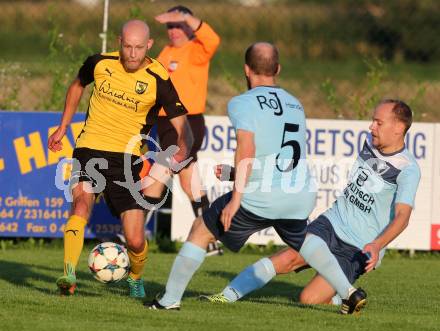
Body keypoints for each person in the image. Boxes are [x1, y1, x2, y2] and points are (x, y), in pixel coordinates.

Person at [202, 99, 420, 315]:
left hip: (358, 247)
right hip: (331, 223)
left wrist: (376, 245)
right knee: (287, 259)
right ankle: (227, 296)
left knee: (308, 299)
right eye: (372, 121)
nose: (371, 127)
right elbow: (286, 170)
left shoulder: (408, 169)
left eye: (378, 122)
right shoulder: (370, 143)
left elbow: (402, 216)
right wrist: (236, 174)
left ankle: (341, 299)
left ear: (399, 128)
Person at [145, 42, 317, 310]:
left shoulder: (244, 103)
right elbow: (278, 162)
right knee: (310, 249)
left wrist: (236, 198)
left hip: (259, 197)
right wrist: (235, 174)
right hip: (296, 196)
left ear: (247, 70)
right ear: (278, 69)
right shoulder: (295, 104)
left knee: (200, 230)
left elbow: (248, 148)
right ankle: (348, 290)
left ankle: (169, 300)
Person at [48, 20, 193, 297]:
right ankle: (68, 274)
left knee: (136, 240)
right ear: (119, 42)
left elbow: (180, 121)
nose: (133, 54)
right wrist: (64, 125)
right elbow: (77, 85)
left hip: (125, 160)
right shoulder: (100, 63)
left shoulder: (158, 78)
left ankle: (135, 277)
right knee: (80, 206)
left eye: (139, 47)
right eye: (127, 47)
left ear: (149, 45)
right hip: (89, 149)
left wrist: (183, 147)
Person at [143, 5, 222, 254]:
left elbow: (213, 39)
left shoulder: (197, 50)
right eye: (170, 26)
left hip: (187, 124)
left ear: (189, 25)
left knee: (154, 179)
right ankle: (209, 239)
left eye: (179, 25)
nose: (174, 30)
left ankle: (130, 236)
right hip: (165, 124)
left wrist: (187, 17)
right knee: (191, 184)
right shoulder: (166, 52)